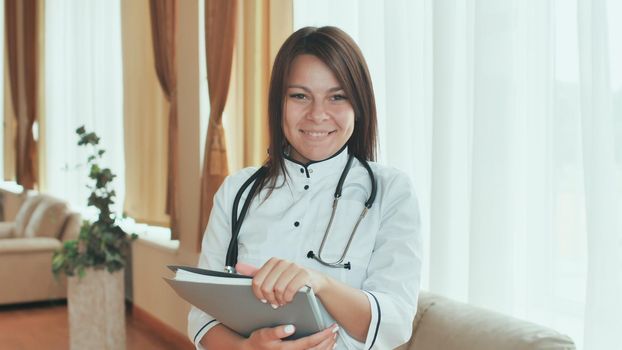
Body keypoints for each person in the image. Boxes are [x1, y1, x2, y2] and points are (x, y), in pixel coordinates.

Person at [188, 26, 422, 350]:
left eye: (337, 97)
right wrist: (247, 349)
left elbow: (394, 322)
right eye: (300, 96)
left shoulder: (391, 192)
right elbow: (202, 316)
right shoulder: (236, 191)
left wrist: (319, 283)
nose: (317, 114)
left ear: (359, 105)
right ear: (278, 102)